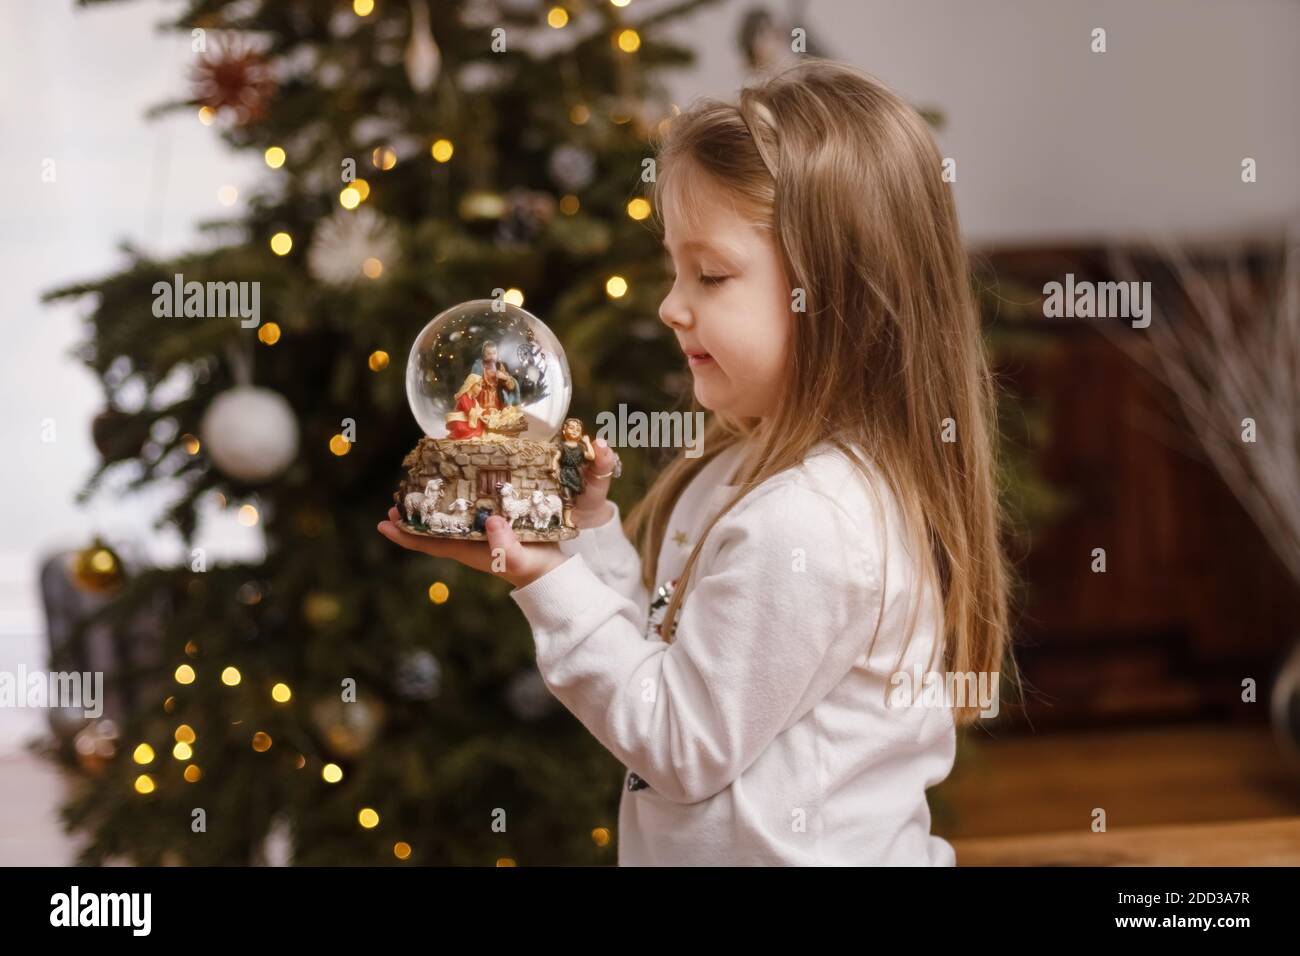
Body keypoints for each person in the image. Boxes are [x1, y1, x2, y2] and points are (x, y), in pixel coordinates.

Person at [380, 59, 1014, 865]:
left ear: (836, 295)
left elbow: (678, 745)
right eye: (676, 270)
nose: (671, 305)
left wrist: (544, 583)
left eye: (711, 274)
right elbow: (668, 668)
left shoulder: (810, 521)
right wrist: (582, 538)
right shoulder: (741, 469)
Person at [443, 374, 485, 439]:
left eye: (481, 386)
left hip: (468, 420)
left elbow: (477, 409)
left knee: (481, 424)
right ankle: (463, 434)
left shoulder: (473, 399)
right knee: (460, 427)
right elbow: (469, 411)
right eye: (478, 385)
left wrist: (481, 415)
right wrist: (478, 414)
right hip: (460, 419)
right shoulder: (464, 397)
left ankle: (473, 433)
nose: (480, 389)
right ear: (471, 384)